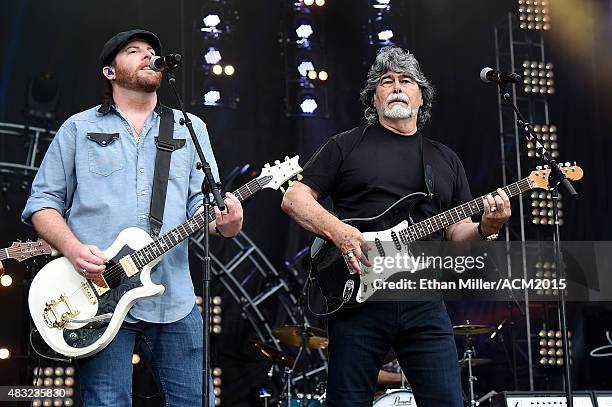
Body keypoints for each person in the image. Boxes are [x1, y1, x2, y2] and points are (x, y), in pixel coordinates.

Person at [21, 29, 243, 406]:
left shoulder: (191, 128)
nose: (148, 55)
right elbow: (42, 203)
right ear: (110, 72)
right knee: (107, 402)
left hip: (173, 295)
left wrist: (227, 222)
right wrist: (73, 249)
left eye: (152, 51)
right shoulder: (79, 127)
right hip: (96, 294)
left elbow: (200, 208)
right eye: (134, 51)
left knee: (196, 401)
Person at [281, 46, 511, 406]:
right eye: (386, 82)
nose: (397, 86)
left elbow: (457, 234)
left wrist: (487, 227)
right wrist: (339, 232)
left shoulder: (444, 159)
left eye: (406, 80)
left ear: (422, 96)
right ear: (373, 98)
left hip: (424, 300)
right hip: (358, 297)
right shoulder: (345, 145)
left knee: (447, 400)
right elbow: (294, 198)